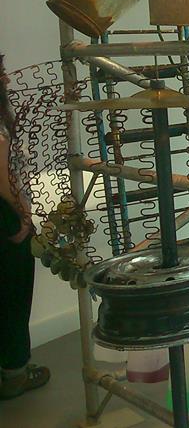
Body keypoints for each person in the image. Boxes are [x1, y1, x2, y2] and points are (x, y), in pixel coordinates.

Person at [0, 53, 48, 400]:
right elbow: (3, 179)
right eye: (0, 72)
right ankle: (15, 373)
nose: (6, 78)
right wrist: (24, 214)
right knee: (14, 294)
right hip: (5, 215)